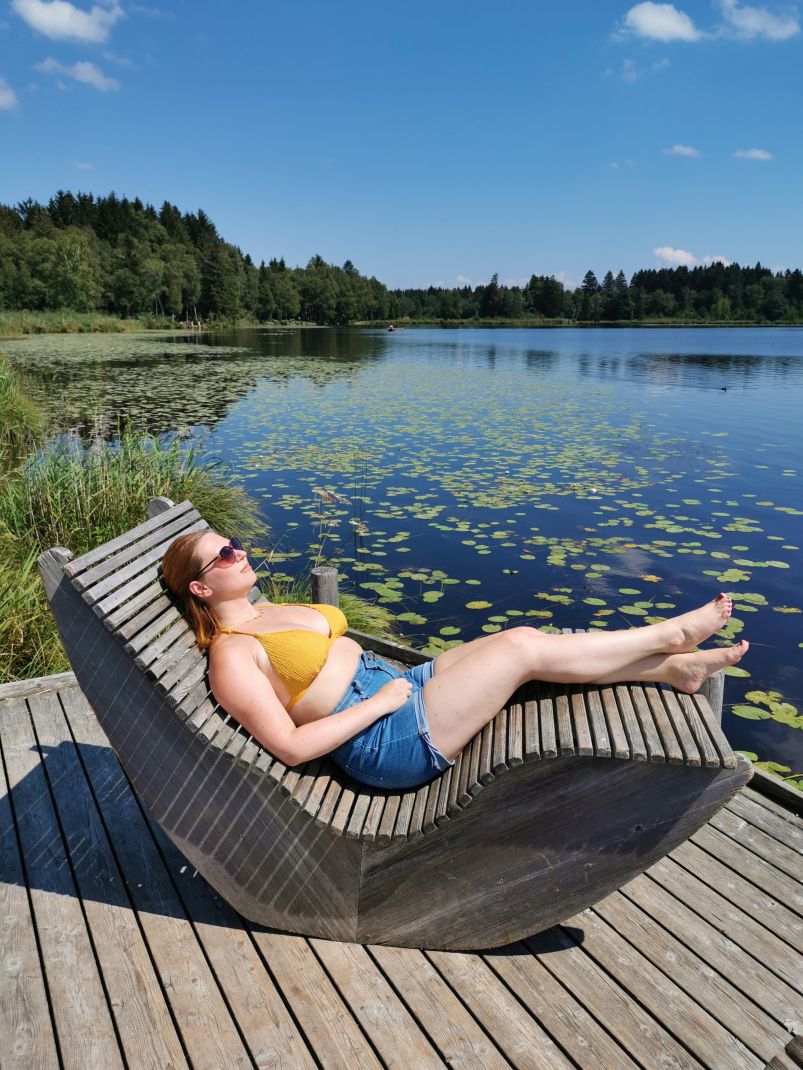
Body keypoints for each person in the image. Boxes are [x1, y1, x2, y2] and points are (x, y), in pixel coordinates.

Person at [161, 530, 748, 790]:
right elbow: (290, 747)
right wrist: (384, 704)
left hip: (397, 688)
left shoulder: (266, 610)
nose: (239, 552)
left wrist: (392, 688)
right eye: (224, 555)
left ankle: (672, 669)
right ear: (201, 590)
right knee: (521, 651)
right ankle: (669, 635)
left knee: (517, 636)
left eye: (234, 543)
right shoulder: (232, 655)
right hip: (386, 738)